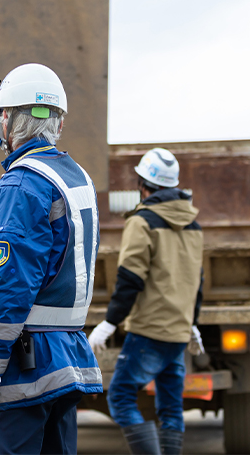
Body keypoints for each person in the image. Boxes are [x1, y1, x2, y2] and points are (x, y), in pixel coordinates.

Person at [0, 63, 103, 455]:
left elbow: (9, 285)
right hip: (65, 357)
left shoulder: (20, 187)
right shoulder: (75, 176)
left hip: (26, 364)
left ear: (8, 119)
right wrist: (4, 119)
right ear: (58, 122)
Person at [87, 148, 205, 455]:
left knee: (121, 397)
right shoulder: (194, 226)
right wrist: (192, 323)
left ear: (143, 185)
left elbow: (130, 279)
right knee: (170, 407)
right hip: (178, 332)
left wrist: (109, 323)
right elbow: (197, 281)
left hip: (149, 332)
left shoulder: (142, 222)